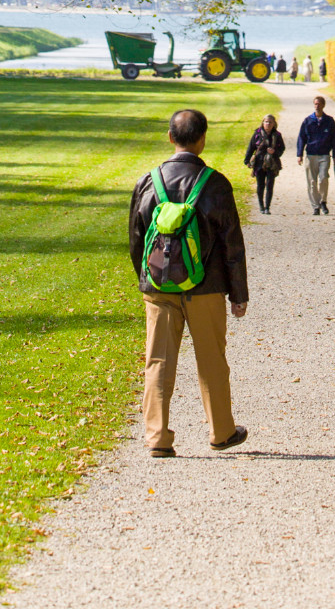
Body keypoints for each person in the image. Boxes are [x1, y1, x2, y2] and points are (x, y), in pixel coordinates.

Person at [128, 107, 249, 459]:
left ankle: (157, 437)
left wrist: (147, 279)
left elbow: (137, 240)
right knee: (212, 360)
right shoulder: (215, 183)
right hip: (206, 287)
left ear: (170, 137)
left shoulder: (148, 181)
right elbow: (232, 245)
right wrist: (238, 295)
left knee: (158, 361)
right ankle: (221, 431)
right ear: (203, 139)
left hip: (160, 287)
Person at [295, 91, 335, 214]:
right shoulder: (308, 121)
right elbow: (301, 138)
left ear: (323, 105)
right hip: (310, 154)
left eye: (319, 104)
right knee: (312, 182)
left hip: (324, 154)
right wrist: (299, 154)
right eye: (315, 104)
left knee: (323, 178)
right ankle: (315, 205)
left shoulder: (329, 121)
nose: (317, 106)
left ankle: (323, 201)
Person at [244, 113, 286, 214]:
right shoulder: (257, 134)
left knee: (270, 185)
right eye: (266, 122)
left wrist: (275, 152)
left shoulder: (277, 135)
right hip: (259, 163)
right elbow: (251, 147)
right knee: (260, 185)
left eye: (270, 122)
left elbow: (282, 148)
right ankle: (261, 206)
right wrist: (247, 160)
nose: (267, 124)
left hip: (272, 163)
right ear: (262, 123)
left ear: (274, 124)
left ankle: (267, 207)